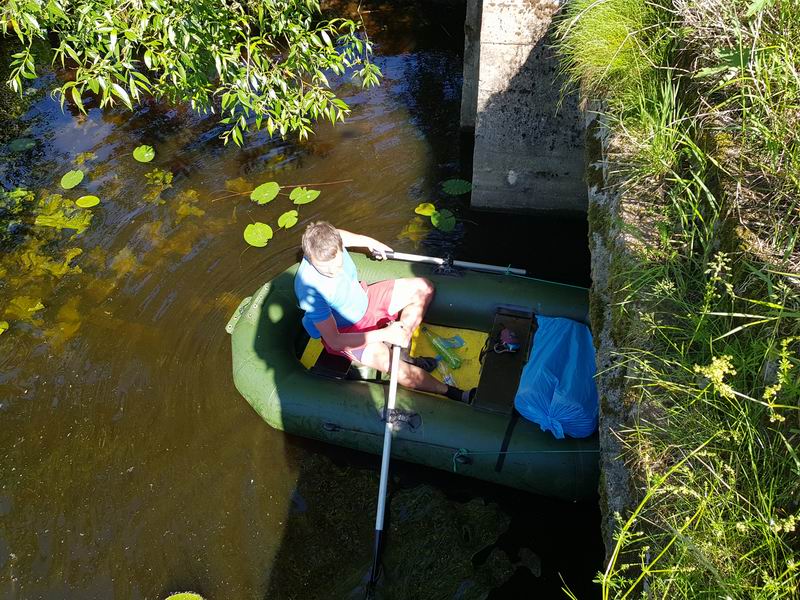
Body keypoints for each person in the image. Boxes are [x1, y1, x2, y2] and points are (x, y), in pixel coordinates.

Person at [294, 221, 473, 403]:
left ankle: (401, 344)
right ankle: (452, 392)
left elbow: (348, 237)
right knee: (399, 370)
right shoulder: (309, 289)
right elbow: (335, 340)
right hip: (347, 332)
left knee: (424, 288)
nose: (334, 272)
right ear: (310, 257)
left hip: (366, 298)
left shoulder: (333, 237)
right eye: (325, 268)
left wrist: (373, 244)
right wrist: (386, 333)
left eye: (338, 264)